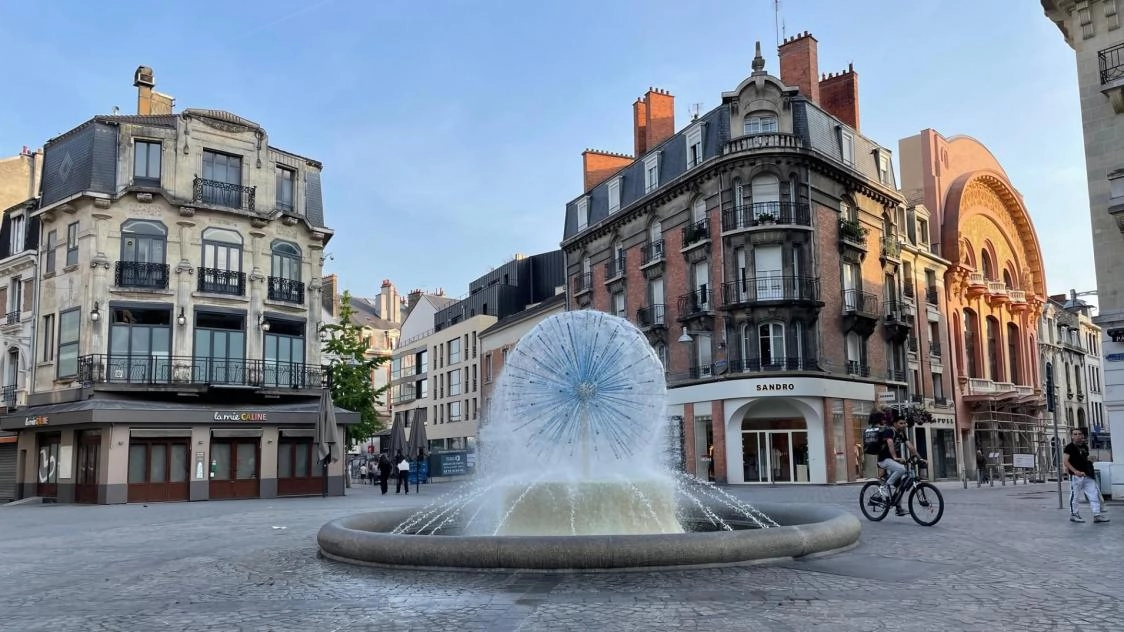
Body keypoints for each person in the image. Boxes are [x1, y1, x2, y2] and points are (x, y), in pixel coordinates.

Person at [876, 415, 925, 516]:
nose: (904, 425)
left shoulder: (902, 433)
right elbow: (890, 443)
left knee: (900, 484)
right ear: (895, 424)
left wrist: (920, 458)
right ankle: (884, 487)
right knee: (902, 469)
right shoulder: (890, 431)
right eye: (901, 423)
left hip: (893, 461)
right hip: (884, 460)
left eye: (904, 423)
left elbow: (910, 446)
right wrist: (895, 457)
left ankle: (898, 508)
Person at [1064, 428, 1109, 523]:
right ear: (1072, 436)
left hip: (1087, 475)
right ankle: (1074, 514)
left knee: (1094, 494)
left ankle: (1097, 515)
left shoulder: (1084, 447)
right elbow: (1065, 461)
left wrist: (1090, 461)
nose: (1077, 436)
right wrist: (1075, 471)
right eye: (1075, 434)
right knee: (1075, 495)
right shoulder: (1069, 447)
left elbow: (1084, 458)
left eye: (1079, 434)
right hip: (1076, 476)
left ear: (1082, 436)